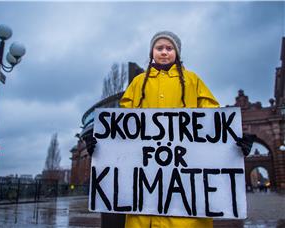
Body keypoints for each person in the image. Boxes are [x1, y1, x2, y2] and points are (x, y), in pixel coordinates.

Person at [86, 31, 254, 228]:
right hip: (144, 195)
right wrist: (104, 145)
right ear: (152, 52)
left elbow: (212, 120)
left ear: (177, 52)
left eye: (169, 48)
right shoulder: (138, 83)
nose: (164, 52)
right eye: (159, 48)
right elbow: (124, 126)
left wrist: (233, 142)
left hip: (186, 201)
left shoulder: (193, 81)